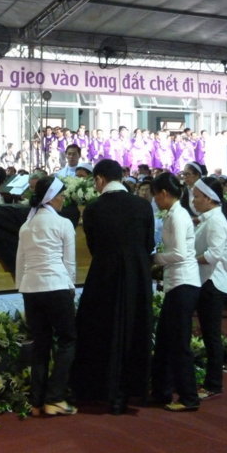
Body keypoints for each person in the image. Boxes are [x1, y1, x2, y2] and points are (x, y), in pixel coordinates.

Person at [71, 159, 154, 415]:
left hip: (104, 275)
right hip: (137, 277)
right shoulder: (142, 205)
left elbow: (93, 246)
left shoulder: (93, 208)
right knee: (133, 329)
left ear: (99, 179)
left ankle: (100, 390)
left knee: (101, 329)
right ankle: (130, 392)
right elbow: (148, 243)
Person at [16, 176, 77, 417]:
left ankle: (36, 401)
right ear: (51, 197)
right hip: (57, 286)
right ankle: (55, 398)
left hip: (31, 289)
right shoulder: (63, 223)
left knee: (40, 344)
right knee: (67, 341)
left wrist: (21, 286)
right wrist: (70, 288)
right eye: (61, 195)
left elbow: (20, 262)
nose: (63, 199)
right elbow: (69, 263)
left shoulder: (26, 226)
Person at [151, 173, 201, 412]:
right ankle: (162, 390)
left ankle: (189, 396)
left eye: (155, 195)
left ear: (163, 193)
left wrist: (155, 258)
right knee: (165, 340)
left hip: (184, 282)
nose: (155, 200)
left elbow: (179, 253)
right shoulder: (173, 214)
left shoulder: (178, 216)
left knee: (179, 343)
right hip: (177, 282)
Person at [192, 176, 227, 399]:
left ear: (209, 198)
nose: (193, 201)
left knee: (211, 335)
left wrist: (188, 259)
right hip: (205, 280)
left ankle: (213, 383)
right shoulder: (209, 218)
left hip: (212, 282)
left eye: (197, 197)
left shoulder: (216, 220)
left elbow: (214, 255)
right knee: (209, 333)